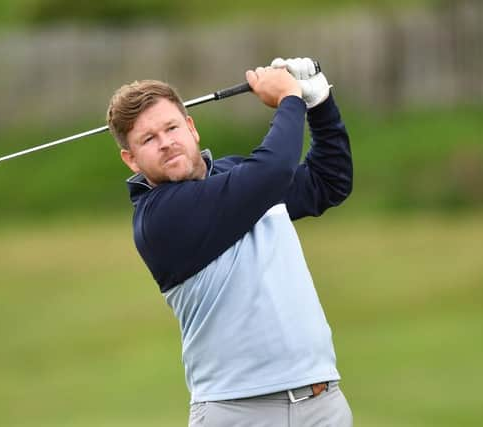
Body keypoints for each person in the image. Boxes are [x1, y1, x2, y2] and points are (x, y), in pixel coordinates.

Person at [107, 57, 353, 427]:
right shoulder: (159, 218)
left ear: (191, 128)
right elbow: (272, 170)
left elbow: (328, 182)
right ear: (131, 160)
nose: (166, 143)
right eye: (148, 139)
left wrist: (319, 105)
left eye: (171, 127)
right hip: (238, 412)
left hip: (322, 401)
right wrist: (290, 98)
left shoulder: (236, 177)